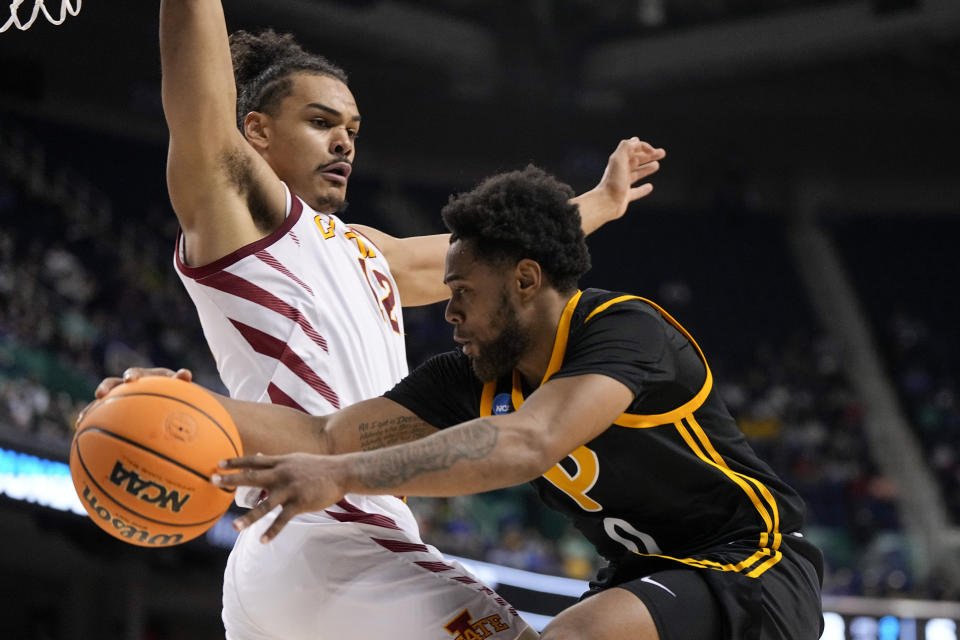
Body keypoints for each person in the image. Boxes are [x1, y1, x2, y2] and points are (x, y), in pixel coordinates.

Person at [106, 166, 823, 639]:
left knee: (579, 635)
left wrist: (346, 479)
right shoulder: (470, 374)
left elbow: (526, 444)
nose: (446, 310)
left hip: (752, 561)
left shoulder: (622, 329)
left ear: (524, 281)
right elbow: (327, 435)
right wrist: (175, 403)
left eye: (461, 292)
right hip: (644, 575)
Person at [153, 1, 665, 637]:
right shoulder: (240, 218)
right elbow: (196, 101)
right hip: (332, 527)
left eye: (353, 130)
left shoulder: (361, 248)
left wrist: (600, 203)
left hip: (295, 554)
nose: (344, 141)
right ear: (254, 131)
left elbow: (488, 258)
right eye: (320, 122)